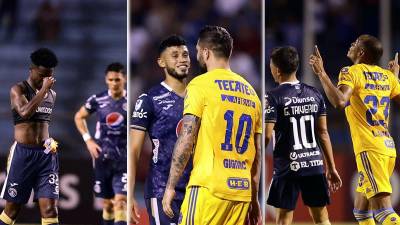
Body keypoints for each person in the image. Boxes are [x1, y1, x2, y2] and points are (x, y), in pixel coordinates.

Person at [162, 25, 262, 225]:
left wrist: (171, 185)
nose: (196, 55)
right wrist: (254, 197)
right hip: (241, 193)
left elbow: (187, 137)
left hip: (208, 189)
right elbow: (257, 153)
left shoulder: (200, 85)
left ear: (206, 52)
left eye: (198, 51)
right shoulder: (252, 93)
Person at [309, 34, 400, 225]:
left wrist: (322, 74)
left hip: (370, 148)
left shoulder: (351, 72)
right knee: (361, 211)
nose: (351, 44)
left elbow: (340, 101)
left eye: (356, 43)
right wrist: (394, 78)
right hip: (387, 147)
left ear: (361, 52)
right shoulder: (387, 77)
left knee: (384, 212)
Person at [265, 46, 342, 225]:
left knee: (284, 218)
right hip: (314, 164)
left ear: (277, 70)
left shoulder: (273, 97)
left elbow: (267, 135)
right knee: (322, 217)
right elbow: (323, 132)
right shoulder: (315, 93)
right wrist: (331, 167)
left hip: (287, 166)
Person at [130, 35, 192, 225]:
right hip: (161, 188)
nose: (182, 59)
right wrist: (129, 193)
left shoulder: (200, 96)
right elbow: (134, 149)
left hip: (197, 189)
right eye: (175, 55)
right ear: (161, 62)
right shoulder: (149, 99)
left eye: (185, 54)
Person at [0, 48, 59, 225]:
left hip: (46, 156)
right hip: (22, 155)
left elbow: (42, 124)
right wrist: (42, 91)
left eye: (49, 76)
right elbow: (25, 113)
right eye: (42, 75)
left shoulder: (52, 94)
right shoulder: (18, 90)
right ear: (32, 69)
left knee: (50, 209)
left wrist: (50, 140)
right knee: (12, 210)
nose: (45, 80)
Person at [74, 63, 127, 225]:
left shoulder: (133, 100)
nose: (114, 83)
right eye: (110, 80)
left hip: (124, 159)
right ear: (106, 80)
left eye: (117, 79)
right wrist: (88, 140)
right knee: (108, 204)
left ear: (124, 78)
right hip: (102, 157)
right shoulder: (98, 99)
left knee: (121, 201)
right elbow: (79, 116)